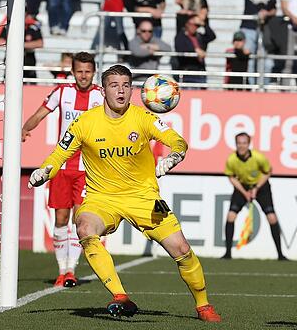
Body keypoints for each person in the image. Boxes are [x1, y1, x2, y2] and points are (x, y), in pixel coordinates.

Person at [27, 64, 221, 322]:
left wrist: (175, 156)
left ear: (132, 90)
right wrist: (44, 171)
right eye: (114, 85)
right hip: (102, 199)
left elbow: (177, 141)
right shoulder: (85, 122)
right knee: (84, 228)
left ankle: (203, 305)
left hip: (144, 198)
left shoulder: (143, 118)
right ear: (103, 90)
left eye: (126, 85)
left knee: (181, 248)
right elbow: (59, 154)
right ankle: (120, 296)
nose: (121, 91)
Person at [21, 52, 103, 287]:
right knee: (60, 218)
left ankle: (71, 271)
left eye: (88, 71)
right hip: (62, 166)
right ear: (73, 71)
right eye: (79, 71)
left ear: (93, 72)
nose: (84, 75)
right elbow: (40, 113)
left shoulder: (100, 96)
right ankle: (61, 269)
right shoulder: (62, 92)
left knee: (80, 220)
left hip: (88, 169)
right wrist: (25, 128)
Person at [221, 132, 286, 260]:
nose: (241, 146)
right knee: (230, 216)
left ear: (249, 144)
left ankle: (280, 254)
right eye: (239, 143)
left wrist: (256, 188)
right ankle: (227, 253)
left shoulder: (258, 157)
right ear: (236, 144)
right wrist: (244, 192)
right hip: (242, 187)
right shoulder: (231, 159)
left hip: (261, 187)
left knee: (272, 217)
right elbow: (231, 177)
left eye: (244, 143)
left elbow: (268, 172)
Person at [238, 0, 277, 83]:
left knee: (265, 61)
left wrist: (267, 13)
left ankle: (263, 86)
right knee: (249, 59)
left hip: (264, 29)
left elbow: (274, 10)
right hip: (248, 27)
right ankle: (251, 86)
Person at [0, 12, 43, 80]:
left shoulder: (32, 27)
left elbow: (40, 43)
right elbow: (1, 42)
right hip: (11, 65)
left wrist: (18, 45)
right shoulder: (9, 27)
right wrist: (26, 45)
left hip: (28, 65)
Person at [174, 14, 210, 85]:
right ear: (187, 24)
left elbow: (211, 36)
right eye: (193, 24)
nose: (195, 27)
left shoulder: (199, 36)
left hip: (200, 71)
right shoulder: (181, 37)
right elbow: (180, 50)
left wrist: (203, 24)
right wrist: (195, 51)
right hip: (188, 73)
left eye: (197, 25)